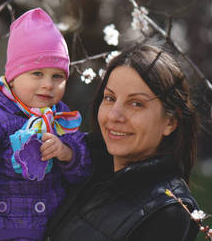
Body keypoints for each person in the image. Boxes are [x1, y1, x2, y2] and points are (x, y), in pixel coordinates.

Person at [0, 8, 90, 241]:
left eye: (57, 76)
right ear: (13, 76)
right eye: (37, 74)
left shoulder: (60, 116)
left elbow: (82, 169)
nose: (48, 84)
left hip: (50, 227)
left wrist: (67, 153)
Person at [44, 43, 200, 240]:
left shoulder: (168, 210)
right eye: (109, 98)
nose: (115, 115)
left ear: (170, 121)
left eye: (136, 103)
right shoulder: (84, 168)